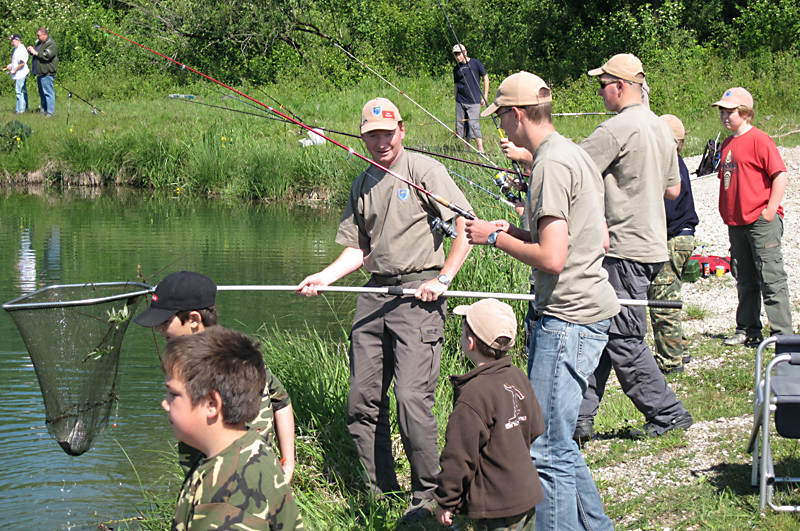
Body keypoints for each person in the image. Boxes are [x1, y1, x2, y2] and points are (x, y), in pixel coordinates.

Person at [297, 97, 473, 522]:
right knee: (362, 401)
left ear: (402, 131)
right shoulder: (362, 182)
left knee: (411, 399)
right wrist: (325, 277)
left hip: (419, 294)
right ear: (363, 138)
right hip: (375, 293)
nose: (381, 143)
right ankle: (382, 493)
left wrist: (443, 279)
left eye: (387, 134)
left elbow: (466, 225)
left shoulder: (424, 171)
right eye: (372, 135)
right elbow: (358, 250)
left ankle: (428, 496)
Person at [467, 71, 619, 531]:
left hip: (568, 318)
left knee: (545, 448)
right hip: (584, 311)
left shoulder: (550, 165)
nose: (500, 127)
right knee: (559, 441)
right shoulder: (571, 153)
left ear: (517, 114)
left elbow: (552, 258)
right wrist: (515, 231)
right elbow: (584, 238)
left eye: (501, 117)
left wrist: (494, 239)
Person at [576, 53, 693, 441]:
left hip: (622, 249)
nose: (599, 92)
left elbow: (569, 170)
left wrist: (530, 158)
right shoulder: (661, 127)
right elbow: (673, 189)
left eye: (602, 85)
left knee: (624, 337)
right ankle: (579, 418)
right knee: (603, 330)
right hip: (652, 246)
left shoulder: (616, 129)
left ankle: (668, 413)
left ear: (620, 86)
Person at [134, 270, 296, 481]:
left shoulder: (225, 361)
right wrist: (288, 463)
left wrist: (288, 463)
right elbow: (282, 400)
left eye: (165, 321)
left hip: (236, 480)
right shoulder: (234, 352)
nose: (158, 328)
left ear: (194, 320)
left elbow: (281, 401)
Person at [161, 327, 303, 530]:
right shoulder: (250, 446)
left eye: (173, 394)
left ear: (212, 404)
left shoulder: (226, 500)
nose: (164, 404)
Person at [435, 298, 544, 531]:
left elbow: (458, 455)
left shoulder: (473, 394)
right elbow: (536, 427)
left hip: (496, 503)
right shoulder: (517, 376)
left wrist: (446, 500)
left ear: (470, 343)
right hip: (527, 491)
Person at [712, 87, 792, 345]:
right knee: (744, 279)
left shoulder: (760, 139)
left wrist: (770, 211)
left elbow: (780, 174)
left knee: (771, 278)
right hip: (736, 223)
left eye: (730, 112)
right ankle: (747, 330)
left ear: (745, 113)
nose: (725, 116)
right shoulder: (727, 143)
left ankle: (783, 337)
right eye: (722, 112)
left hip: (760, 221)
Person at [647, 114, 699, 374]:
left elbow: (664, 210)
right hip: (682, 237)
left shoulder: (668, 165)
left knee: (662, 300)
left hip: (674, 239)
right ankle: (679, 347)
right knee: (670, 294)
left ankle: (671, 360)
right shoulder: (676, 162)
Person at [453, 44, 489, 153]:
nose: (458, 56)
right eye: (456, 55)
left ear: (465, 52)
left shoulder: (476, 63)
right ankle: (467, 150)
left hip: (474, 101)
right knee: (462, 125)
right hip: (460, 101)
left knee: (473, 125)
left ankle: (480, 149)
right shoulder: (456, 69)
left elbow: (485, 78)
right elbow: (456, 84)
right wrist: (456, 98)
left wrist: (485, 96)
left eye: (459, 54)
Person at [26, 27, 56, 117]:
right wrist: (31, 50)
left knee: (48, 93)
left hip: (47, 72)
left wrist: (35, 52)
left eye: (38, 35)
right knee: (42, 94)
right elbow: (37, 54)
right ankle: (43, 112)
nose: (37, 37)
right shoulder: (40, 43)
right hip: (40, 72)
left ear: (44, 35)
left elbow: (47, 55)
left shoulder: (51, 43)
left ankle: (50, 113)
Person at [4, 34, 29, 114]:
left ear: (18, 40)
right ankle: (25, 109)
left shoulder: (21, 49)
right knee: (22, 92)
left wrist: (14, 70)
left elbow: (22, 63)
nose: (12, 43)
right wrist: (11, 65)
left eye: (13, 41)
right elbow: (16, 61)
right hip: (18, 73)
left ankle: (20, 111)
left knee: (19, 92)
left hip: (21, 74)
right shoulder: (16, 49)